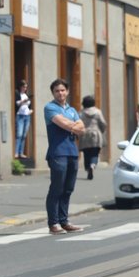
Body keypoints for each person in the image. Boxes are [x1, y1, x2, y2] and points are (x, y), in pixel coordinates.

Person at [44, 78, 84, 234]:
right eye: (56, 91)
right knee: (57, 188)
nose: (60, 93)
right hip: (57, 153)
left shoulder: (72, 110)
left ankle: (64, 220)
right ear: (53, 93)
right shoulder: (49, 108)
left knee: (68, 188)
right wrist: (74, 126)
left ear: (67, 92)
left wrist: (73, 126)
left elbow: (82, 128)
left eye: (62, 90)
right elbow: (65, 124)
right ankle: (53, 223)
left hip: (72, 152)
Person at [78, 95, 106, 180]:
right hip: (96, 134)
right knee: (95, 153)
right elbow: (103, 123)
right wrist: (101, 131)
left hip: (85, 135)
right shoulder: (98, 112)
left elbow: (78, 123)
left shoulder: (81, 113)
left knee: (87, 153)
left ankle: (87, 168)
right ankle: (92, 165)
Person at [15, 79, 32, 158]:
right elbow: (16, 103)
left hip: (27, 116)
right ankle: (16, 152)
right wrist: (23, 101)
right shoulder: (17, 94)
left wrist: (31, 111)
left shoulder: (26, 95)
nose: (25, 89)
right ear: (21, 87)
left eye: (26, 87)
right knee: (19, 134)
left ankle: (21, 152)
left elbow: (29, 106)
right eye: (24, 87)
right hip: (20, 115)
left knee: (24, 135)